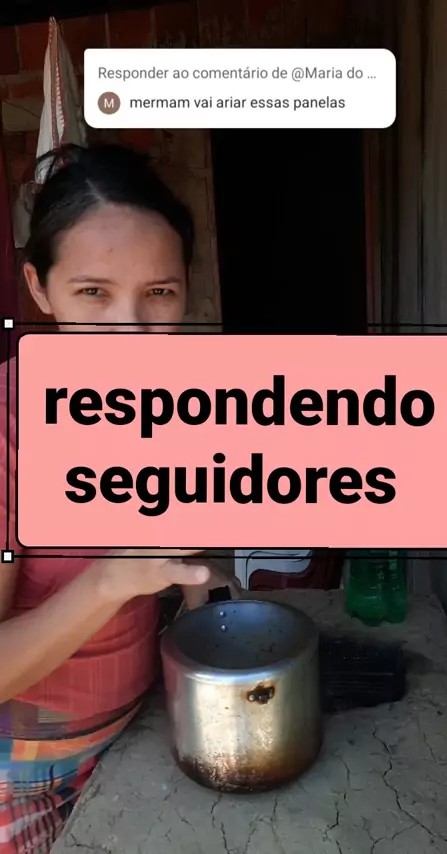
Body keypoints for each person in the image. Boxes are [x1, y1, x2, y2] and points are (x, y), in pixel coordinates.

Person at [0, 143, 239, 854]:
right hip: (21, 777)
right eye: (93, 293)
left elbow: (180, 549)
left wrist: (205, 589)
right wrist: (111, 577)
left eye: (159, 293)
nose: (131, 335)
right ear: (40, 287)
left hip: (140, 731)